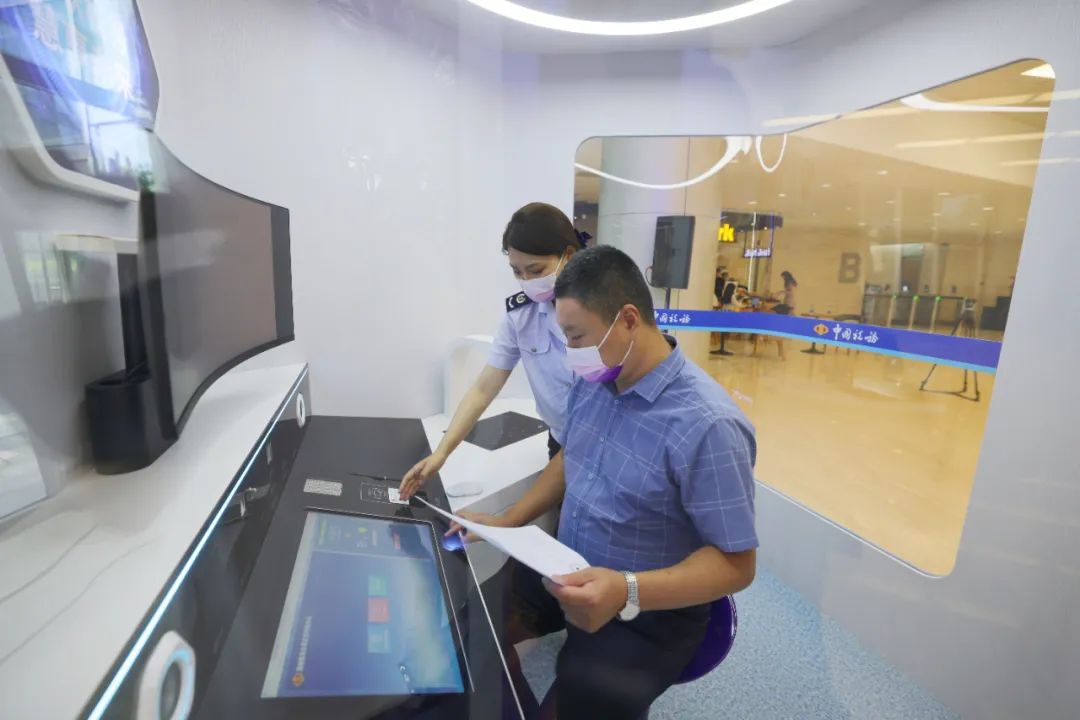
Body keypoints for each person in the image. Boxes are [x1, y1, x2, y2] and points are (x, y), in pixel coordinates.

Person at [450, 245, 758, 720]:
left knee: (584, 698)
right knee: (468, 626)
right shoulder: (596, 380)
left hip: (645, 608)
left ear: (628, 320)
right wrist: (508, 520)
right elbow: (574, 454)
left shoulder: (707, 426)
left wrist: (625, 590)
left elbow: (736, 565)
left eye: (576, 336)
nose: (571, 352)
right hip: (565, 566)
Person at [399, 202, 582, 499]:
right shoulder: (521, 315)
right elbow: (484, 388)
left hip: (608, 443)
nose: (527, 281)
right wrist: (442, 453)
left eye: (536, 270)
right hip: (561, 440)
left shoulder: (599, 309)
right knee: (565, 517)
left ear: (568, 256)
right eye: (517, 272)